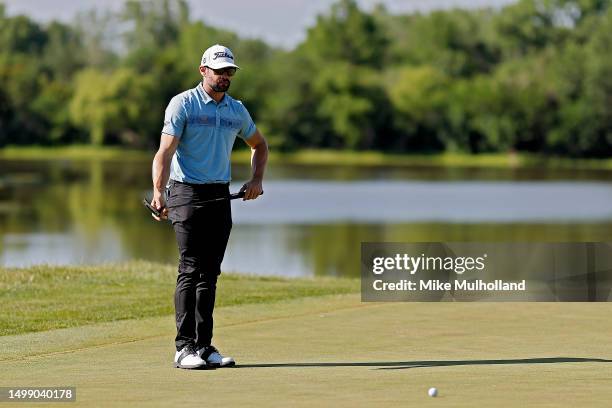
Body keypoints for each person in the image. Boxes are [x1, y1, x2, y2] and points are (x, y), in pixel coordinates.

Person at [150, 44, 268, 369]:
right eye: (219, 71)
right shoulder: (183, 104)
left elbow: (259, 144)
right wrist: (159, 192)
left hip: (219, 195)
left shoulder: (236, 110)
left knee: (210, 274)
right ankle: (183, 348)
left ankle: (204, 347)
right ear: (203, 70)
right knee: (190, 268)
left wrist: (256, 179)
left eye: (229, 71)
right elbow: (164, 152)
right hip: (186, 193)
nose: (225, 76)